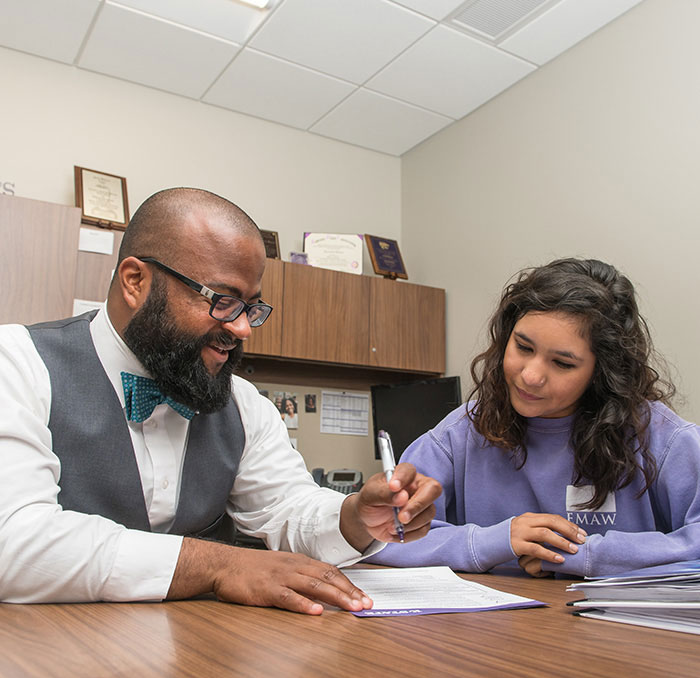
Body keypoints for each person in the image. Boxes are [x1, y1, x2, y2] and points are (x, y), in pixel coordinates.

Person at [0, 187, 441, 613]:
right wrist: (217, 565)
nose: (243, 329)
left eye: (250, 307)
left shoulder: (243, 403)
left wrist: (356, 519)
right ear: (135, 282)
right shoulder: (16, 363)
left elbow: (287, 509)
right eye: (223, 300)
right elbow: (14, 540)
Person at [368, 258, 700, 578]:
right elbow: (377, 537)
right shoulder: (460, 434)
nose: (531, 376)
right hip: (497, 631)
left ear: (602, 371)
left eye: (563, 363)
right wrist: (494, 541)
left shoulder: (663, 438)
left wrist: (584, 556)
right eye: (523, 347)